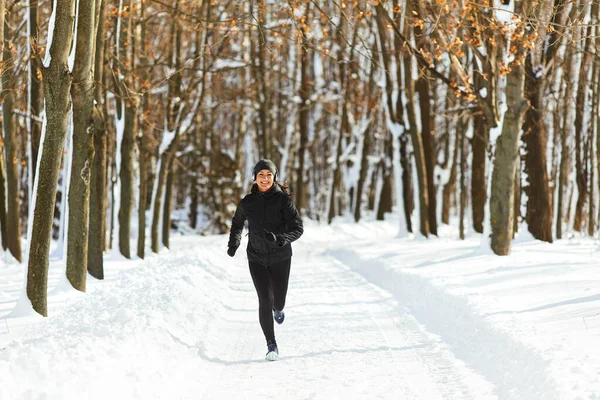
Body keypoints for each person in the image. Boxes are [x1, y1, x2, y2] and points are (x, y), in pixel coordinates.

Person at [227, 159, 304, 361]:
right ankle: (271, 344)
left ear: (274, 177)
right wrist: (233, 244)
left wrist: (281, 239)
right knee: (264, 298)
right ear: (255, 177)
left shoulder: (283, 201)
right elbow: (237, 224)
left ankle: (278, 309)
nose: (265, 178)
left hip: (281, 257)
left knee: (278, 300)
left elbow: (298, 228)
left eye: (269, 175)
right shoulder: (248, 202)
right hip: (256, 258)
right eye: (261, 174)